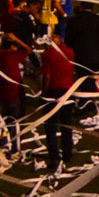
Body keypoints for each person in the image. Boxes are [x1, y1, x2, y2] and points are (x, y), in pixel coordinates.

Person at [36, 33, 77, 172]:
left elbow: (47, 76)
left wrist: (43, 93)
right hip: (68, 91)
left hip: (53, 92)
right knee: (66, 124)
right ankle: (68, 152)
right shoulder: (70, 52)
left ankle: (54, 157)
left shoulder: (47, 55)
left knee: (51, 127)